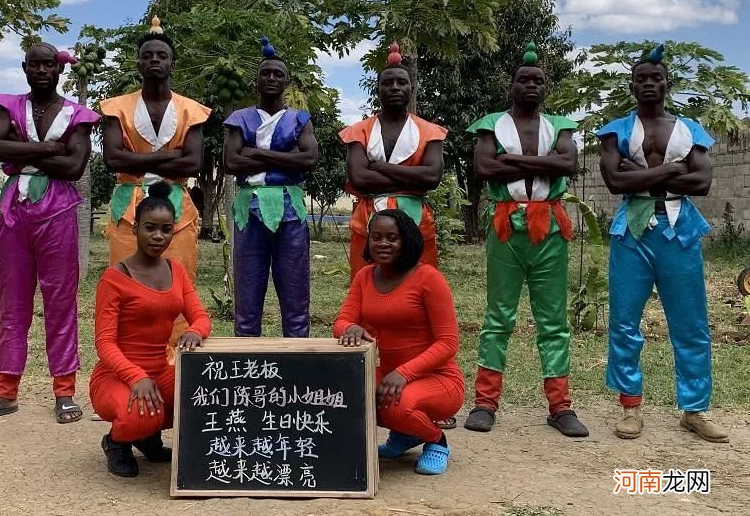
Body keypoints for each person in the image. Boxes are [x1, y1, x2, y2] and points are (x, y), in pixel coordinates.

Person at [597, 44, 727, 443]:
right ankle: (630, 407)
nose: (649, 84)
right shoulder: (616, 129)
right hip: (631, 230)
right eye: (642, 79)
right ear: (632, 85)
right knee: (623, 321)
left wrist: (648, 172)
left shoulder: (690, 130)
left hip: (680, 228)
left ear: (668, 84)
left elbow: (701, 183)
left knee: (690, 325)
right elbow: (615, 182)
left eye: (656, 78)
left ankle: (694, 409)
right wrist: (676, 169)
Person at [0, 43, 100, 424]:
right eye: (34, 64)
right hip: (15, 212)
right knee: (13, 302)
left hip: (57, 209)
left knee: (60, 301)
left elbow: (74, 166)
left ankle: (64, 391)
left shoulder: (77, 114)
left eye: (48, 65)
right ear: (24, 68)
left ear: (60, 70)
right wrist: (45, 148)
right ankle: (5, 391)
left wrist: (20, 150)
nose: (41, 70)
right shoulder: (10, 106)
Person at [462, 43, 588, 437]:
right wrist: (541, 162)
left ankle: (560, 405)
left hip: (550, 225)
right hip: (505, 226)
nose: (531, 85)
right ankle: (485, 402)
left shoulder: (560, 125)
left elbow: (568, 163)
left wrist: (512, 162)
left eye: (538, 80)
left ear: (544, 88)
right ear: (511, 85)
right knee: (498, 316)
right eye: (524, 79)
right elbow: (484, 167)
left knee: (553, 320)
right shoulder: (491, 124)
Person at [101, 16, 210, 362]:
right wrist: (170, 156)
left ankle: (178, 369)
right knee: (126, 286)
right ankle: (128, 367)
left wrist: (139, 158)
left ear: (172, 62)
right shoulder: (116, 107)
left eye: (161, 55)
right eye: (147, 55)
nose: (154, 61)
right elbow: (113, 159)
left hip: (177, 207)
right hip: (128, 205)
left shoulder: (191, 110)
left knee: (177, 287)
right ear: (138, 62)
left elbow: (193, 163)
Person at [90, 181, 212, 477]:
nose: (158, 236)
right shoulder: (114, 279)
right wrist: (136, 377)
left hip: (160, 371)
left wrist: (195, 332)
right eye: (149, 228)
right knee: (143, 413)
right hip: (116, 376)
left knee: (201, 397)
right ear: (135, 229)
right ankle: (116, 442)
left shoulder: (176, 271)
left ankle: (147, 437)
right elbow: (104, 343)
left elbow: (201, 317)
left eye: (166, 229)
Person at [333, 209, 463, 475]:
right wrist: (352, 327)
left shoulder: (428, 278)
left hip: (439, 378)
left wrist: (404, 373)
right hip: (392, 374)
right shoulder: (365, 276)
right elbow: (341, 322)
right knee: (348, 395)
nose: (383, 243)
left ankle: (436, 440)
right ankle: (406, 435)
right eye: (376, 237)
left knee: (396, 405)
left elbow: (448, 343)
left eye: (392, 238)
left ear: (407, 241)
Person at [223, 37, 318, 337]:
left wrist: (256, 153)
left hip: (290, 208)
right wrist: (287, 159)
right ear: (257, 80)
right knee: (248, 291)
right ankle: (246, 361)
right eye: (266, 73)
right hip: (248, 209)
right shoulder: (239, 118)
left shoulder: (299, 119)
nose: (272, 78)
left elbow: (310, 158)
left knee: (295, 291)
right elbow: (231, 162)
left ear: (286, 82)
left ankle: (298, 360)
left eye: (278, 74)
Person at [339, 42, 446, 281]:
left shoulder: (431, 132)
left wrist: (381, 167)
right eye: (387, 83)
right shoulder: (359, 131)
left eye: (401, 82)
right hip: (368, 219)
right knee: (366, 281)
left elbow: (431, 178)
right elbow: (359, 178)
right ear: (377, 89)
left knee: (418, 283)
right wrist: (412, 177)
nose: (395, 87)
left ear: (411, 87)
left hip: (416, 221)